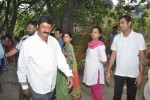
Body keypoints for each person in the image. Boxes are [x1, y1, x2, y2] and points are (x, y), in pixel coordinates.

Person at [17, 15, 73, 100]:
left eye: (49, 27)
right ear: (37, 27)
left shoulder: (53, 41)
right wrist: (24, 86)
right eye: (44, 27)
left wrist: (69, 74)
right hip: (37, 88)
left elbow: (60, 59)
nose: (47, 30)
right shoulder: (28, 43)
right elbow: (22, 66)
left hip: (51, 86)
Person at [106, 15, 147, 100]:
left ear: (129, 23)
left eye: (123, 23)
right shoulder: (117, 38)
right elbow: (113, 55)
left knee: (131, 97)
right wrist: (108, 71)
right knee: (116, 97)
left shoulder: (138, 37)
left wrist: (140, 75)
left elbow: (142, 58)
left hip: (133, 74)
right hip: (119, 73)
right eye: (120, 23)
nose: (120, 25)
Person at [83, 26, 107, 100]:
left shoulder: (100, 45)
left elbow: (104, 59)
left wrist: (99, 61)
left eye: (96, 32)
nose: (93, 34)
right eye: (92, 32)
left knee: (97, 92)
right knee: (93, 91)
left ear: (99, 35)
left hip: (96, 72)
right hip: (90, 71)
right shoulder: (90, 44)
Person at [56, 32, 81, 100]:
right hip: (65, 67)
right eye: (64, 36)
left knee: (64, 86)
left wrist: (70, 71)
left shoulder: (68, 47)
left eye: (67, 37)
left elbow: (71, 60)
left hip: (67, 68)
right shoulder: (66, 46)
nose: (64, 38)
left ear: (70, 39)